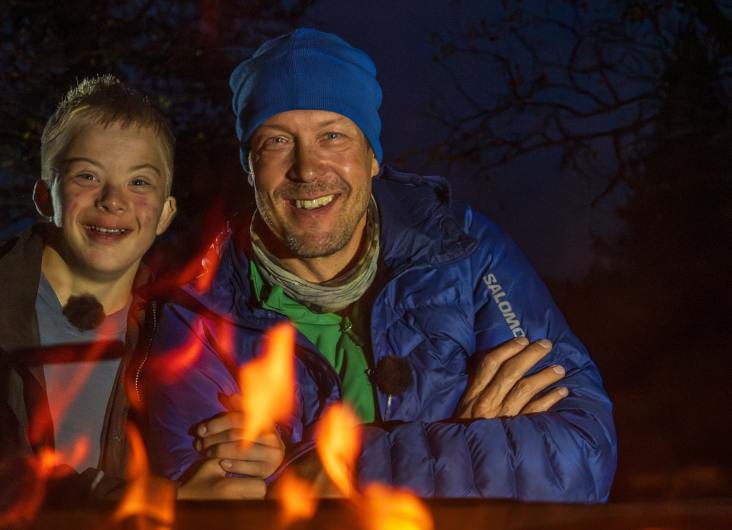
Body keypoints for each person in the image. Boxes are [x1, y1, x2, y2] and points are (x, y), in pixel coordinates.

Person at [141, 29, 617, 502]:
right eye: (277, 141)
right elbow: (208, 499)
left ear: (372, 157)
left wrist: (310, 469)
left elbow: (580, 453)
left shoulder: (465, 252)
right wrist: (462, 440)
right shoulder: (198, 313)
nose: (307, 169)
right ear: (249, 167)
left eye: (332, 135)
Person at [0, 75, 280, 530]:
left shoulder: (182, 328)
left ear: (166, 213)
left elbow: (211, 447)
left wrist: (258, 448)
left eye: (139, 182)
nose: (113, 201)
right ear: (44, 197)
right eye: (87, 176)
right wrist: (153, 500)